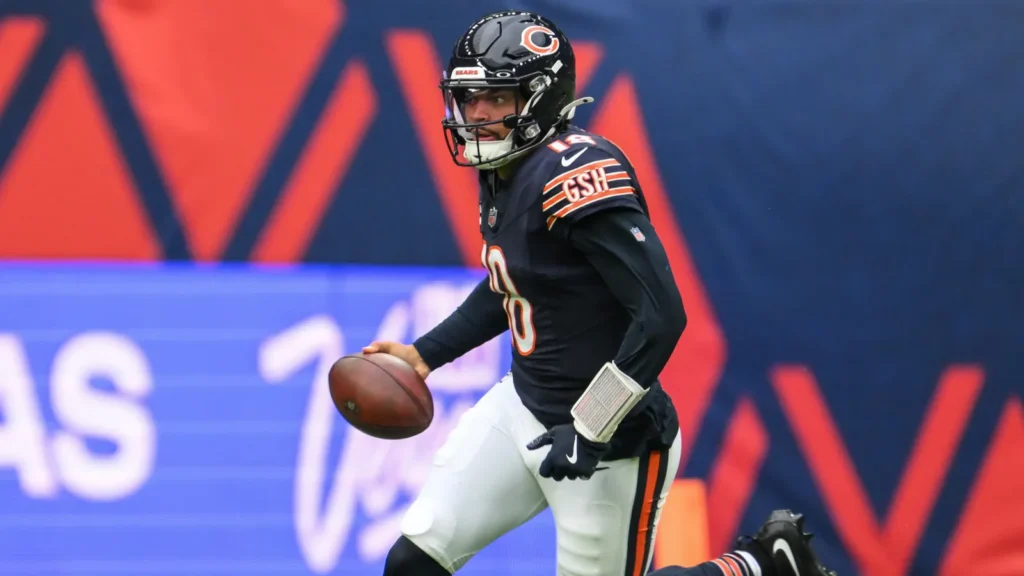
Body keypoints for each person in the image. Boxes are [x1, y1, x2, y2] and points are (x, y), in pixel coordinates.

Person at [366, 10, 836, 576]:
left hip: (613, 446)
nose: (477, 114)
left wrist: (591, 425)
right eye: (469, 99)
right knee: (411, 563)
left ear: (540, 98)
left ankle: (760, 565)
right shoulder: (505, 167)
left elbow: (661, 315)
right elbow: (512, 285)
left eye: (496, 98)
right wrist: (424, 355)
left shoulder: (575, 172)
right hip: (522, 407)